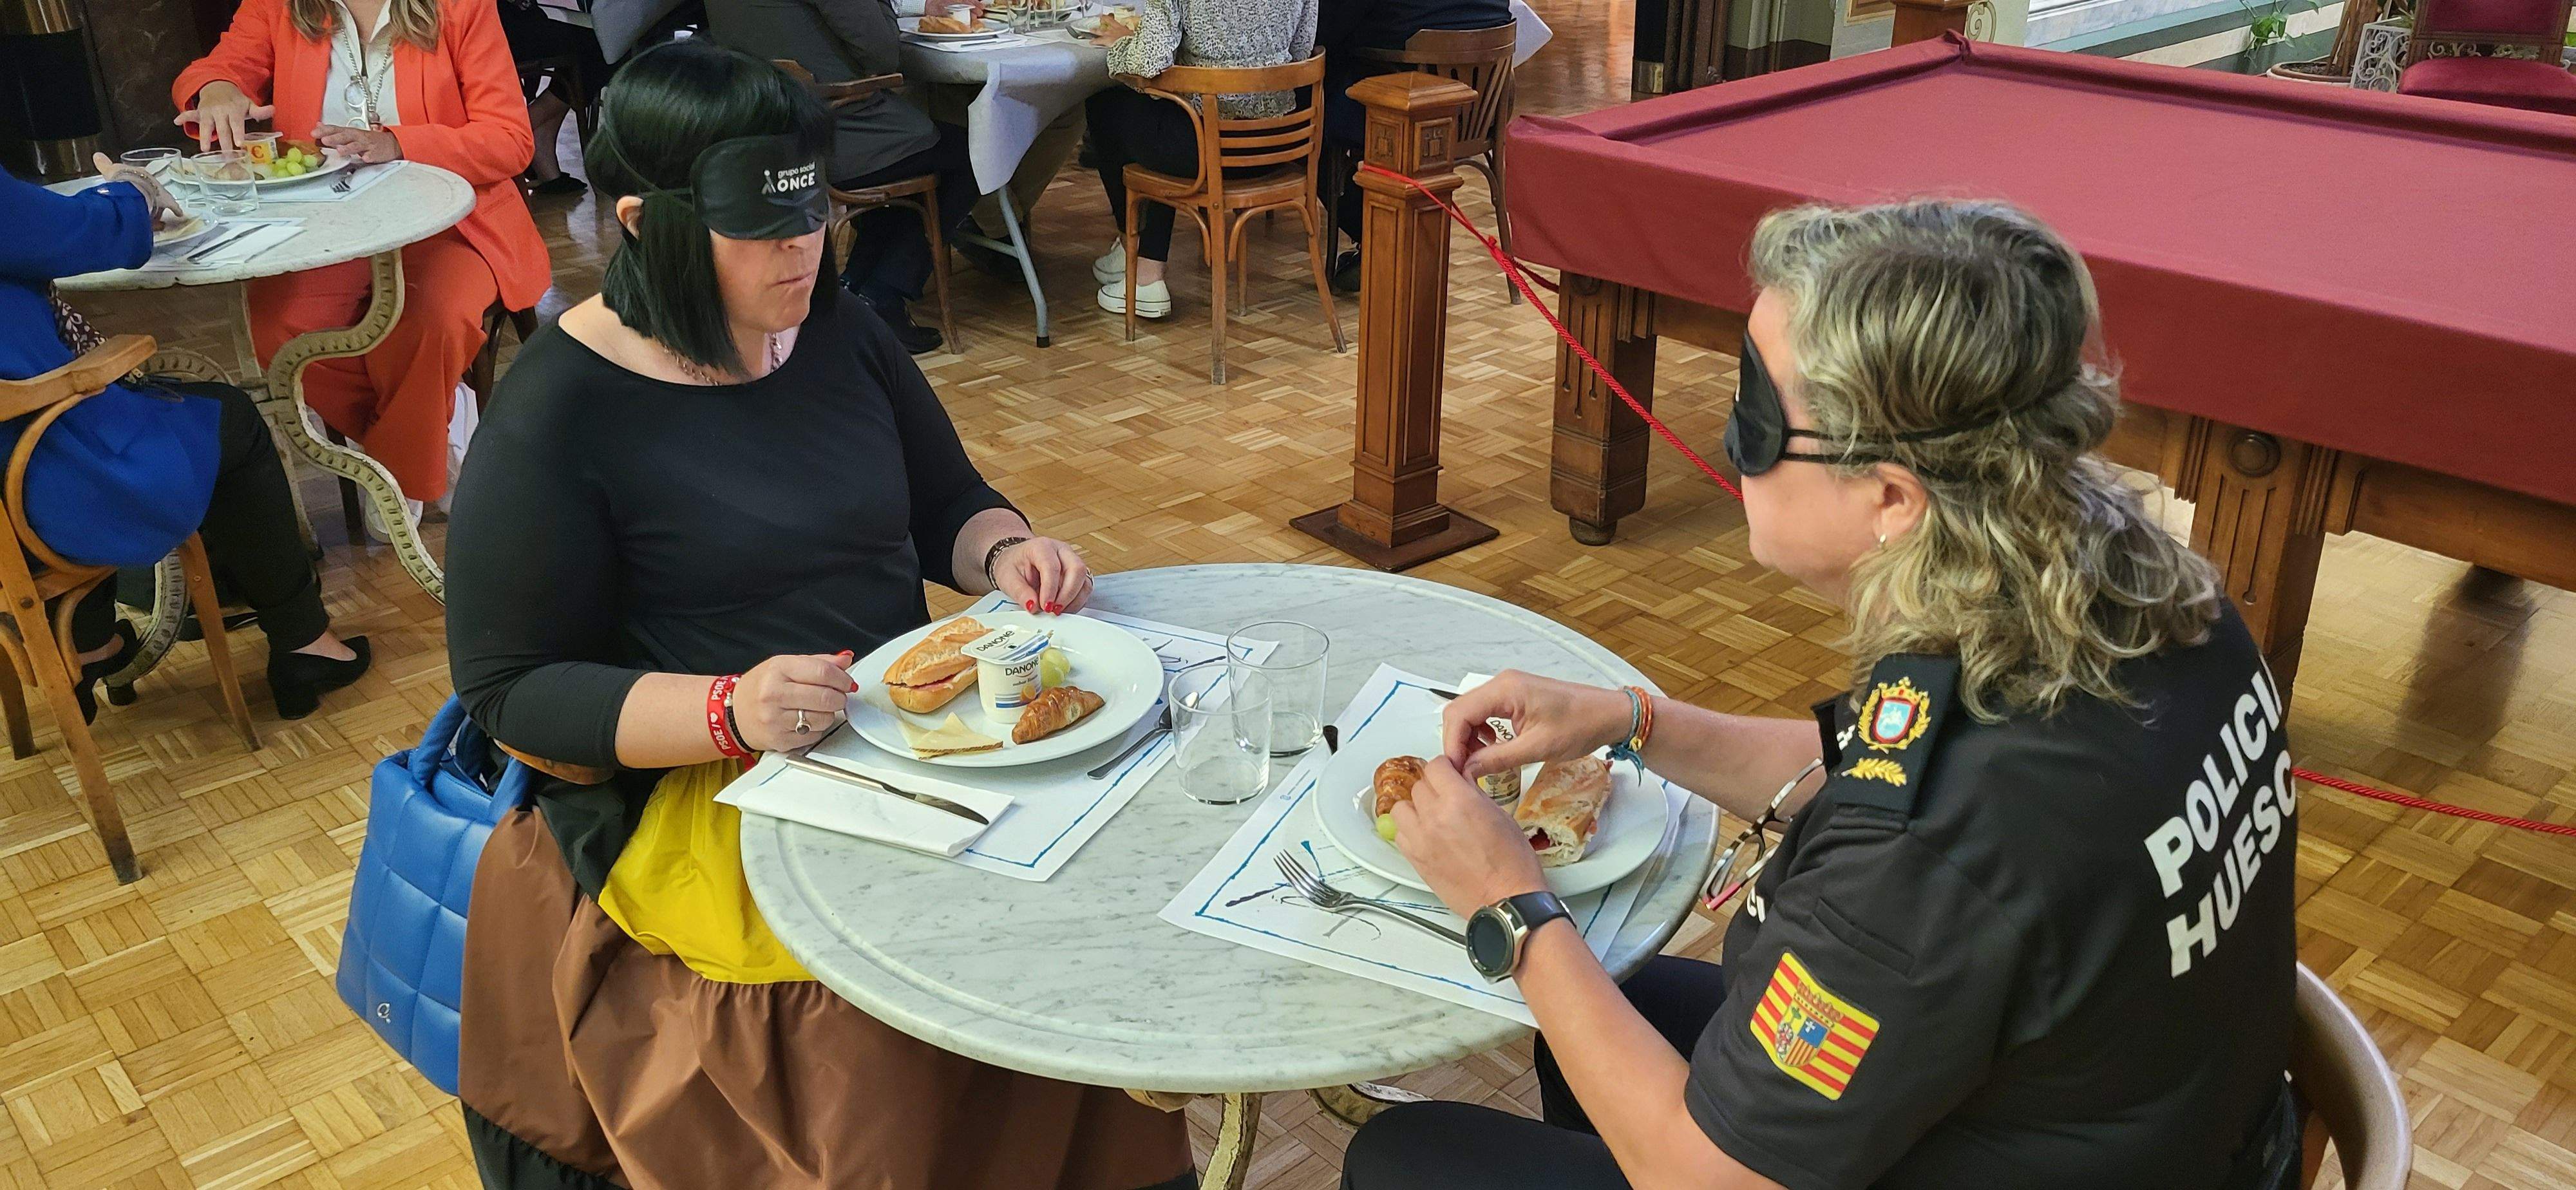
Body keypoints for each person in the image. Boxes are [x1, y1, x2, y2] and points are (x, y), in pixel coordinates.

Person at [1341, 200, 2304, 1190]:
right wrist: (1637, 724)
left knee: (1406, 1158)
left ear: (1893, 496)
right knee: (1592, 1022)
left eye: (1760, 414)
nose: (1730, 439)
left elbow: (1703, 1178)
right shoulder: (2137, 587)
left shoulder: (1931, 859)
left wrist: (1508, 904)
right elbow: (1872, 775)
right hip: (2151, 1127)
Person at [442, 42, 1189, 1189]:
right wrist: (733, 708)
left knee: (1093, 886)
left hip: (893, 730)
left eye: (815, 218)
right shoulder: (559, 406)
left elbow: (946, 498)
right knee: (880, 999)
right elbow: (511, 689)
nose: (806, 253)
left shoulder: (836, 328)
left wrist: (1006, 549)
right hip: (706, 777)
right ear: (646, 222)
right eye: (765, 232)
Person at [1, 164, 371, 721]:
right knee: (231, 419)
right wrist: (134, 192)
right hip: (46, 492)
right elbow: (72, 230)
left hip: (11, 496)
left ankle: (88, 642)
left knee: (103, 420)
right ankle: (305, 641)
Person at [173, 0, 552, 518]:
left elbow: (511, 140)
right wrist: (217, 87)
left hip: (454, 217)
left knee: (430, 320)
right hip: (331, 223)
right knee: (282, 330)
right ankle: (431, 424)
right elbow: (221, 68)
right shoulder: (277, 6)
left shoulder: (463, 6)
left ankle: (399, 483)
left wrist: (397, 143)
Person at [706, 0, 977, 355]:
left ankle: (856, 285)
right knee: (975, 155)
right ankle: (885, 293)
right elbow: (883, 53)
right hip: (835, 128)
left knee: (916, 147)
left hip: (766, 127)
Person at [1088, 0, 1319, 319]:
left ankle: (1141, 266)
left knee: (1106, 102)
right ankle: (1140, 259)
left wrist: (1122, 45)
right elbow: (1301, 49)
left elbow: (1149, 59)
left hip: (1205, 152)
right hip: (1274, 148)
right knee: (1169, 113)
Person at [1315, 0, 1510, 292]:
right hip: (1477, 116)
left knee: (1308, 110)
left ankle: (1381, 235)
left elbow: (1322, 32)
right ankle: (1396, 235)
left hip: (1401, 121)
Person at [496, 0, 612, 194]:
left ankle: (538, 141)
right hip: (499, 26)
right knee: (602, 45)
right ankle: (524, 126)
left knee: (601, 40)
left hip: (503, 21)